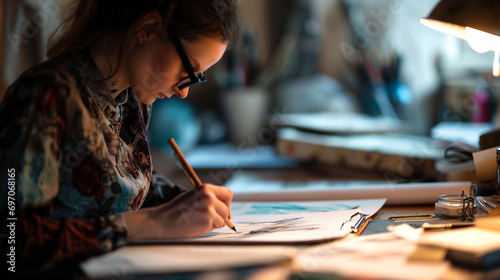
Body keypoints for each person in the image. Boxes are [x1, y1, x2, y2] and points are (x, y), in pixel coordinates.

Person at [0, 0, 240, 277]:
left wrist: (185, 201)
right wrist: (151, 223)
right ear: (147, 29)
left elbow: (118, 189)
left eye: (195, 78)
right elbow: (14, 240)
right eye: (187, 71)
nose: (183, 92)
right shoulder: (46, 94)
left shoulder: (131, 101)